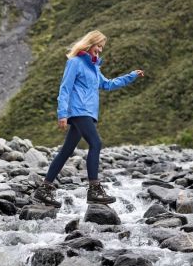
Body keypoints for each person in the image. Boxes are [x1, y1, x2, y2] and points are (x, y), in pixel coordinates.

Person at [32, 30, 143, 206]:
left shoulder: (94, 68)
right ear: (90, 44)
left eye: (102, 47)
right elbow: (65, 88)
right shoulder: (75, 62)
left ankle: (44, 189)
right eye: (98, 45)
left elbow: (107, 84)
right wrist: (62, 114)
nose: (99, 50)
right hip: (78, 111)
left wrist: (131, 76)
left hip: (88, 113)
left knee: (66, 151)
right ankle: (94, 189)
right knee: (96, 143)